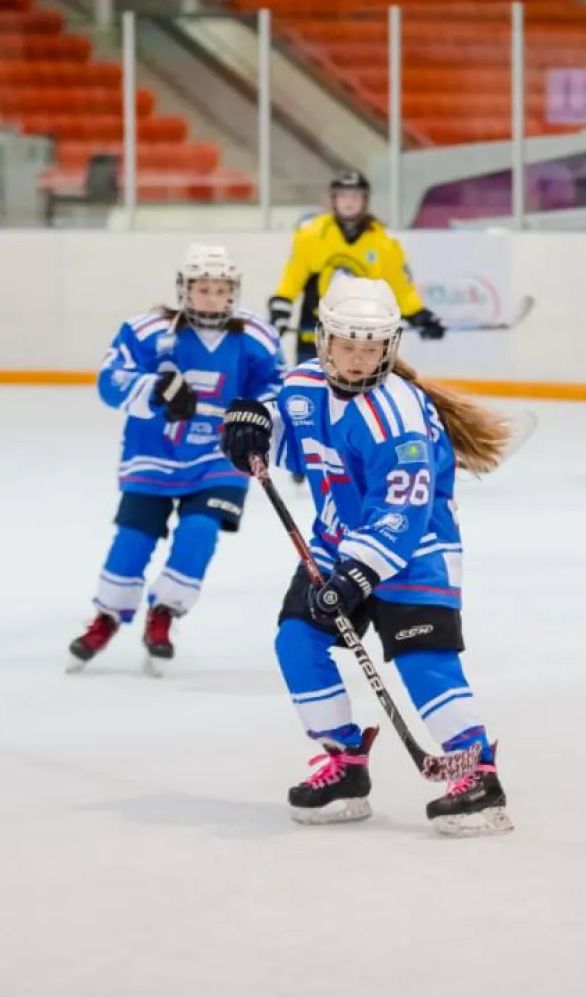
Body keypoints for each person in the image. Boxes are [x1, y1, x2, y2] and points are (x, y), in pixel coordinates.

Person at [221, 277, 512, 838]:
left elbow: (404, 513)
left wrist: (357, 574)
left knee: (422, 662)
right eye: (347, 346)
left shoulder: (397, 414)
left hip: (416, 553)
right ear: (324, 339)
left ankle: (479, 775)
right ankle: (345, 764)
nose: (357, 360)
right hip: (336, 543)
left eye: (371, 348)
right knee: (297, 641)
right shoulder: (304, 383)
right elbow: (282, 421)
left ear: (390, 346)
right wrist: (250, 424)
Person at [67, 245, 283, 677]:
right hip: (153, 454)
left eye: (220, 290)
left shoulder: (256, 337)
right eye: (202, 288)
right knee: (133, 540)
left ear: (233, 292)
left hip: (218, 458)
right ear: (185, 290)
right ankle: (107, 617)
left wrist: (256, 419)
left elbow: (277, 388)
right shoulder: (147, 330)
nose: (211, 298)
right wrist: (153, 389)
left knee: (200, 532)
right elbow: (110, 380)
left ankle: (164, 612)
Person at [269, 169, 447, 370]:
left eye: (355, 195)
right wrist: (281, 308)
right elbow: (292, 278)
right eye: (343, 195)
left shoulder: (383, 242)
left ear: (365, 200)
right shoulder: (311, 235)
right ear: (333, 199)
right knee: (312, 389)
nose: (349, 201)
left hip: (363, 337)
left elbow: (400, 286)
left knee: (360, 392)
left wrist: (419, 315)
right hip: (316, 334)